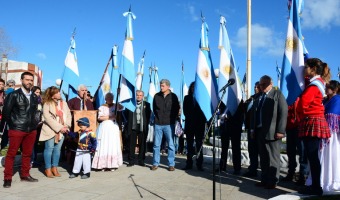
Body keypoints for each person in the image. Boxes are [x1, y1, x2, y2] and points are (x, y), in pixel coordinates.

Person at [297, 58, 331, 196]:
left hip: (312, 121)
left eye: (306, 67)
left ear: (312, 69)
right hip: (314, 120)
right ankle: (315, 185)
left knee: (312, 156)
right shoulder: (318, 84)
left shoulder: (313, 86)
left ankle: (316, 187)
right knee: (312, 156)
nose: (304, 69)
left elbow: (302, 105)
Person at [0, 72, 39, 188]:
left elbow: (36, 112)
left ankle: (25, 175)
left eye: (31, 80)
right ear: (21, 80)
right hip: (17, 129)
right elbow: (6, 112)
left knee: (27, 154)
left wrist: (35, 123)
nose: (29, 82)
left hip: (31, 130)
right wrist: (13, 124)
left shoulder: (34, 96)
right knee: (11, 154)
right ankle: (7, 178)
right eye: (27, 80)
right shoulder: (14, 95)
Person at [251, 75, 288, 189]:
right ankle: (264, 179)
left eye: (264, 84)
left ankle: (272, 181)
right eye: (260, 85)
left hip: (273, 132)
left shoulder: (277, 94)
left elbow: (283, 111)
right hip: (260, 131)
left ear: (271, 84)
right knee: (263, 157)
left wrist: (281, 130)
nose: (261, 87)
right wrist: (253, 129)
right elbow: (254, 114)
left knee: (273, 157)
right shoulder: (259, 97)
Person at [39, 86, 72, 178]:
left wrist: (67, 126)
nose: (59, 94)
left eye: (59, 92)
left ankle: (55, 167)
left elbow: (69, 115)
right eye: (57, 93)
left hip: (63, 130)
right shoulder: (47, 104)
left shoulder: (64, 103)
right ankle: (48, 168)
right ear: (52, 95)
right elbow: (47, 118)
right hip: (50, 129)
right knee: (49, 149)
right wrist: (59, 127)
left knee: (57, 149)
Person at [151, 79, 180, 171]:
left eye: (163, 86)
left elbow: (176, 109)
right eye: (160, 85)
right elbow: (154, 108)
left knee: (171, 145)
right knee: (156, 145)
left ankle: (171, 164)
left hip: (169, 124)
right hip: (158, 123)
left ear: (168, 86)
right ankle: (155, 163)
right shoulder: (156, 96)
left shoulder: (173, 96)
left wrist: (172, 119)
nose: (161, 87)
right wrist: (157, 117)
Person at [92, 92, 123, 171]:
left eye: (111, 98)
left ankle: (112, 164)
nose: (110, 99)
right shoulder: (102, 107)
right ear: (105, 99)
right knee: (104, 145)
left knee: (112, 145)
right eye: (108, 98)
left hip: (113, 128)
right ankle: (103, 164)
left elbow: (122, 107)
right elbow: (99, 118)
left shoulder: (115, 106)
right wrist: (110, 117)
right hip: (105, 128)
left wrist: (118, 97)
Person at [318, 80, 340, 192]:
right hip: (323, 131)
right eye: (326, 87)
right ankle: (321, 180)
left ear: (335, 89)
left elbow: (333, 117)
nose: (326, 89)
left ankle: (331, 181)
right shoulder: (326, 100)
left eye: (328, 87)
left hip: (332, 133)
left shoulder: (337, 100)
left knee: (331, 155)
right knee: (323, 156)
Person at [65, 84, 94, 167]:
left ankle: (84, 167)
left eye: (86, 90)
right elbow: (68, 113)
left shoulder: (89, 102)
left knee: (85, 147)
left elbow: (92, 114)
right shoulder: (72, 101)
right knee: (73, 146)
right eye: (82, 90)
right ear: (78, 92)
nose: (84, 92)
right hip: (75, 128)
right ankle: (72, 166)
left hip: (86, 130)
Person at [281, 96, 308, 185]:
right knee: (290, 152)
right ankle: (291, 172)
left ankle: (303, 175)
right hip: (290, 128)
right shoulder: (288, 99)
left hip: (299, 127)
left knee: (302, 153)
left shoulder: (300, 97)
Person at [182, 82, 206, 171]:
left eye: (195, 87)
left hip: (200, 125)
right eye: (192, 87)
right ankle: (189, 164)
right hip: (190, 125)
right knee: (189, 145)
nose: (193, 89)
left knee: (199, 145)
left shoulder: (202, 98)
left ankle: (199, 164)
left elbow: (204, 112)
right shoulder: (187, 98)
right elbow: (185, 111)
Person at [125, 90, 151, 167]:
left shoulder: (147, 104)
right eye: (137, 95)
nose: (139, 96)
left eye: (140, 95)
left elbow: (148, 115)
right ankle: (131, 161)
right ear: (135, 96)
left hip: (142, 127)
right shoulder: (131, 104)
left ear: (143, 96)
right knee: (131, 144)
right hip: (132, 126)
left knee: (142, 144)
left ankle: (141, 160)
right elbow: (126, 114)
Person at [218, 100, 244, 175]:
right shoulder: (223, 100)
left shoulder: (238, 99)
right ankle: (222, 166)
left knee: (236, 148)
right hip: (225, 126)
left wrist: (231, 117)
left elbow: (241, 113)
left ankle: (237, 168)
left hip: (235, 126)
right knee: (224, 148)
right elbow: (220, 111)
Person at [243, 82, 261, 177]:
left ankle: (262, 171)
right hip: (250, 127)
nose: (255, 88)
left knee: (259, 150)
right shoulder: (251, 98)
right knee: (252, 150)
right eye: (255, 86)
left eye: (257, 86)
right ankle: (252, 169)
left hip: (259, 128)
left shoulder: (261, 98)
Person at [31, 86, 43, 167]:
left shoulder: (40, 101)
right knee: (30, 144)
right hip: (31, 125)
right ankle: (30, 161)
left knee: (35, 143)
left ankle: (34, 160)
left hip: (39, 125)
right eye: (36, 92)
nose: (38, 94)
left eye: (39, 92)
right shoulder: (31, 100)